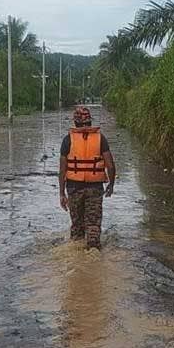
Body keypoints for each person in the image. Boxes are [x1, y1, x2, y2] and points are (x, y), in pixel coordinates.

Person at [58, 106, 116, 249]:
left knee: (77, 227)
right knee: (93, 226)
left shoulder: (67, 140)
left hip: (73, 188)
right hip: (95, 188)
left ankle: (76, 260)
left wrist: (61, 194)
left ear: (75, 122)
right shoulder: (100, 139)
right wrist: (111, 185)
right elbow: (110, 165)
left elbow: (62, 170)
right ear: (90, 120)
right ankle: (93, 257)